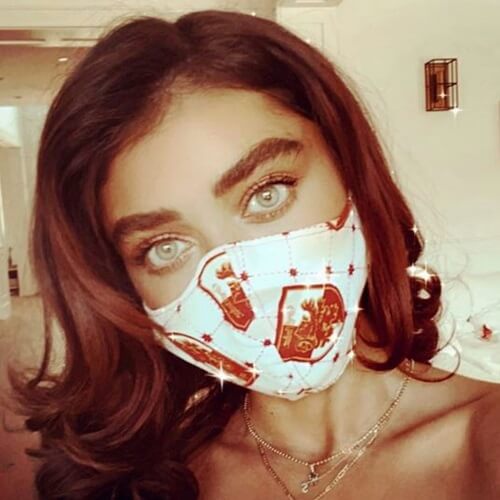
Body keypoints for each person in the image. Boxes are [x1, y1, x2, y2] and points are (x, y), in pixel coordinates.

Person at [8, 9, 500, 500]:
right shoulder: (146, 480)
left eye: (268, 193)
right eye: (165, 247)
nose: (239, 283)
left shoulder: (484, 440)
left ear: (351, 172)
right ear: (124, 286)